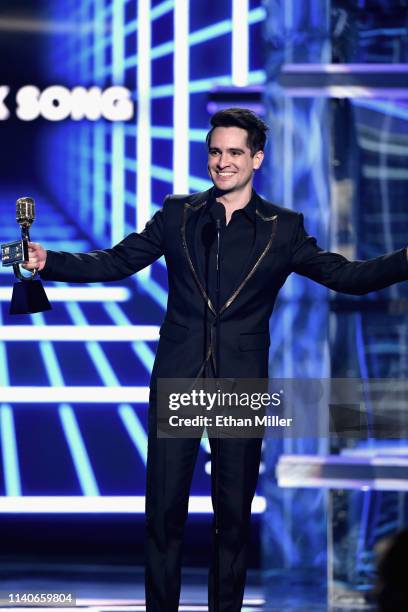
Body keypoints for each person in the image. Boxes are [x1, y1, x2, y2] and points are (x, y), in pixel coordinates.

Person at [24, 108, 408, 612]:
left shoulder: (283, 229)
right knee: (163, 517)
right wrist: (49, 261)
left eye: (234, 153)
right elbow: (117, 261)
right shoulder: (179, 215)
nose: (222, 162)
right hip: (179, 377)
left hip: (239, 385)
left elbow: (348, 276)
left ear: (256, 159)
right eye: (215, 152)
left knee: (232, 520)